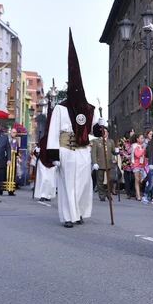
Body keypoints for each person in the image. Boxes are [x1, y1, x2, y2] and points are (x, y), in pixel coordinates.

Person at [46, 29, 101, 228]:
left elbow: (95, 130)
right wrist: (54, 154)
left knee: (83, 185)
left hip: (83, 151)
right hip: (66, 150)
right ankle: (69, 216)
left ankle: (78, 212)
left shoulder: (89, 109)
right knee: (68, 184)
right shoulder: (61, 108)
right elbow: (53, 132)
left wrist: (101, 126)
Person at [91, 125, 117, 202]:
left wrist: (116, 150)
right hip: (100, 163)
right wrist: (94, 163)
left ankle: (108, 192)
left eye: (105, 132)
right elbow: (93, 153)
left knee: (111, 178)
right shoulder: (96, 141)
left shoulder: (111, 141)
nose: (104, 133)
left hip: (109, 163)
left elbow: (113, 152)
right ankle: (102, 195)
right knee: (100, 180)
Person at [130, 133, 146, 201]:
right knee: (137, 180)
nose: (142, 139)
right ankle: (138, 195)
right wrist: (143, 149)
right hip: (136, 164)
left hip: (142, 165)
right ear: (137, 139)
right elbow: (138, 155)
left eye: (143, 138)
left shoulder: (142, 146)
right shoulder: (135, 146)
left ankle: (137, 193)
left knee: (140, 180)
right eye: (141, 138)